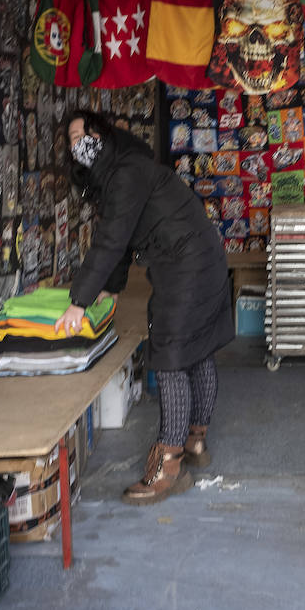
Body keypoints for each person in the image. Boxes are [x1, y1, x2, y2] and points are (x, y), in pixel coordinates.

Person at [55, 111, 234, 505]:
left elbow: (111, 238)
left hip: (185, 264)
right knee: (198, 351)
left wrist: (78, 301)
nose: (75, 146)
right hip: (201, 259)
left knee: (169, 360)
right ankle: (196, 444)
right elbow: (120, 236)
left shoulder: (126, 173)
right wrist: (113, 290)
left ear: (101, 136)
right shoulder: (122, 173)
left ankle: (168, 467)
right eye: (69, 141)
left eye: (80, 135)